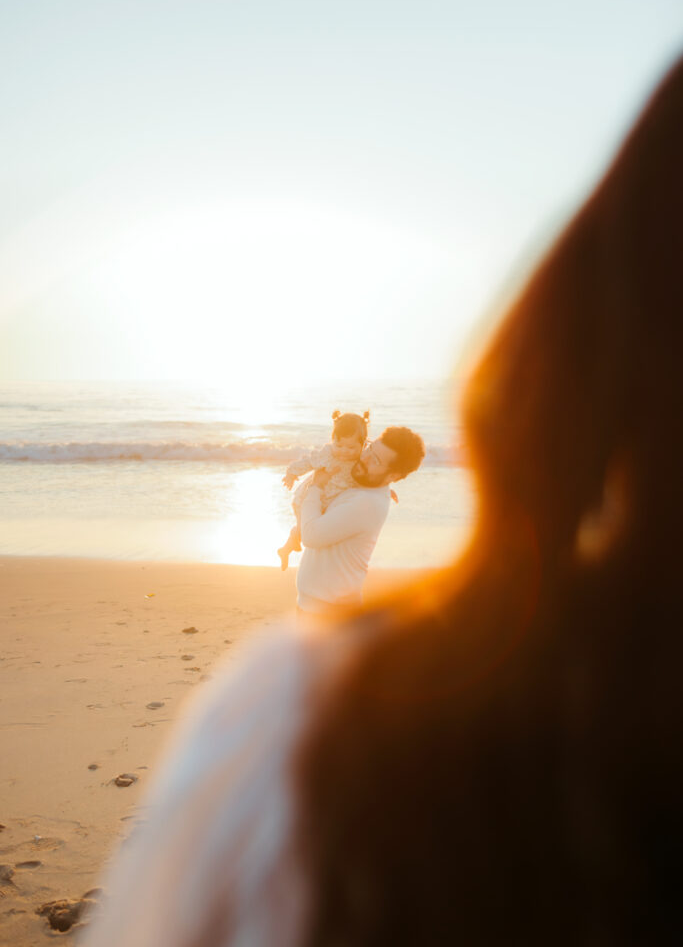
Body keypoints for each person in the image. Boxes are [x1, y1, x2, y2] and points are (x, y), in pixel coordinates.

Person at [82, 54, 683, 947]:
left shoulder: (309, 708)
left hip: (326, 600)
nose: (359, 449)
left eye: (372, 449)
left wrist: (310, 502)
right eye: (358, 441)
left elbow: (318, 524)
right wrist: (313, 487)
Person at [295, 425, 425, 615]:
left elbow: (310, 536)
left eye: (376, 460)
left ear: (393, 476)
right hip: (321, 606)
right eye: (369, 448)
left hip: (329, 613)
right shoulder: (363, 485)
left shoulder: (366, 502)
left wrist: (315, 487)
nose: (364, 457)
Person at [277, 410, 371, 571]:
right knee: (305, 529)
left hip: (329, 505)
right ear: (332, 439)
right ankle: (287, 548)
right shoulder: (328, 454)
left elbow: (370, 478)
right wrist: (292, 473)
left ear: (362, 445)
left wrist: (384, 489)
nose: (343, 450)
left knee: (318, 532)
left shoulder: (361, 461)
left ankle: (291, 546)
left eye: (351, 447)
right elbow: (309, 462)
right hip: (308, 499)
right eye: (339, 445)